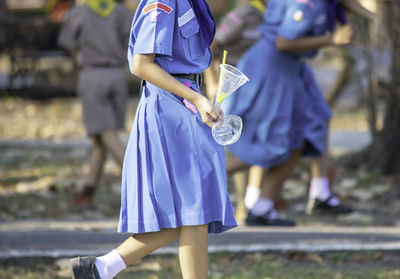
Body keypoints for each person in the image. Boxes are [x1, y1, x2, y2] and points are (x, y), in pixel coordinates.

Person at [70, 0, 237, 278]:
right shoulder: (165, 1)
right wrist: (195, 97)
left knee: (197, 209)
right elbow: (141, 63)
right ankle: (103, 267)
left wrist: (205, 93)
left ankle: (101, 268)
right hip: (171, 108)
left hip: (188, 102)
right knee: (195, 206)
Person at [223, 0, 379, 226]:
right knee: (270, 148)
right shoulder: (305, 3)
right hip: (272, 71)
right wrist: (331, 39)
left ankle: (265, 207)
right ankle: (200, 178)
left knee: (304, 134)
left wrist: (375, 17)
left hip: (288, 67)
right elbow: (284, 42)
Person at [58, 0, 133, 206]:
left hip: (92, 73)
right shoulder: (120, 12)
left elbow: (70, 46)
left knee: (107, 134)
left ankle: (140, 180)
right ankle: (88, 191)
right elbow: (132, 41)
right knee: (100, 139)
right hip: (117, 75)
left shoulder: (79, 13)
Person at [203, 0, 268, 223]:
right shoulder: (243, 15)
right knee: (236, 147)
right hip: (232, 88)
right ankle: (236, 204)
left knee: (257, 143)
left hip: (257, 90)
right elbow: (211, 45)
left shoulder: (273, 18)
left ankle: (250, 203)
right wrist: (212, 80)